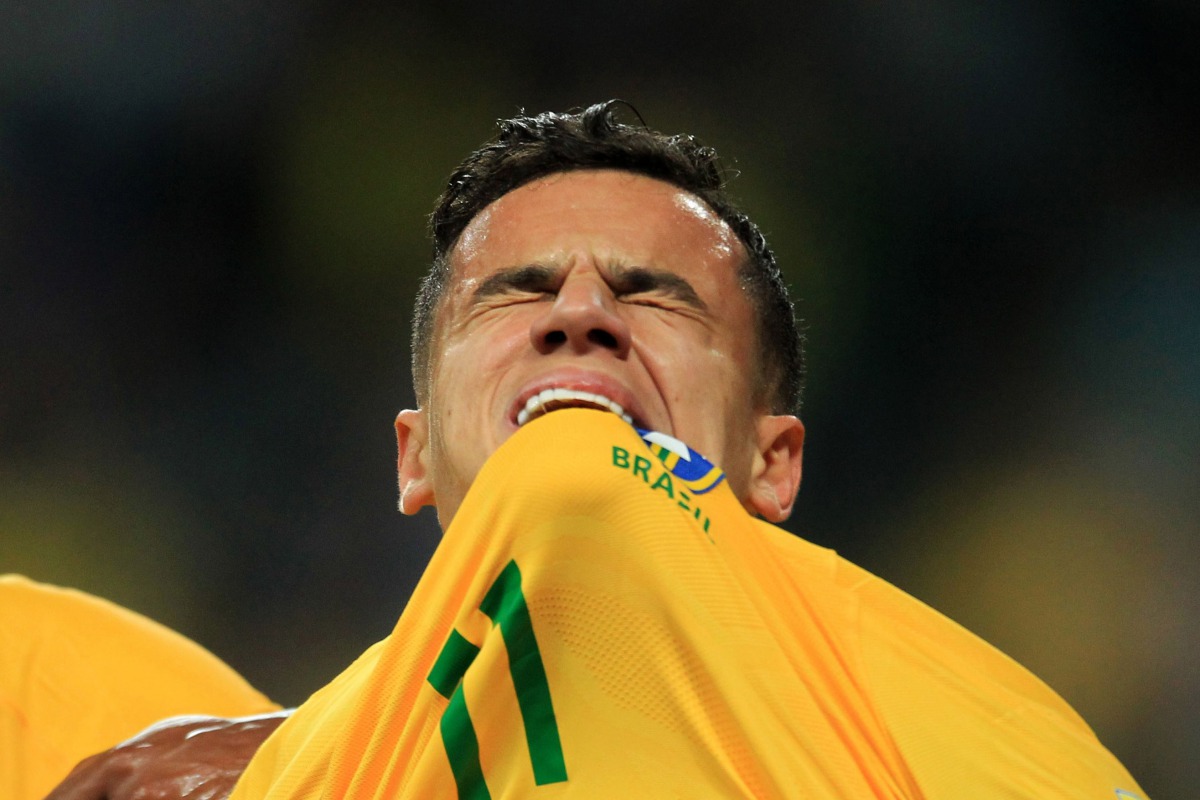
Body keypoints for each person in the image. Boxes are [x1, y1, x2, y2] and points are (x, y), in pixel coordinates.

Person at [18, 101, 1146, 798]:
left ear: (774, 462)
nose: (580, 312)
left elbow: (586, 496)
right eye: (517, 293)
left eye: (655, 297)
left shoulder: (969, 728)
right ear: (413, 458)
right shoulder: (67, 687)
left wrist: (294, 761)